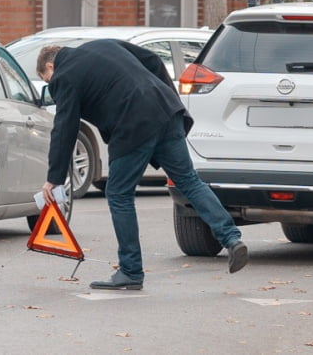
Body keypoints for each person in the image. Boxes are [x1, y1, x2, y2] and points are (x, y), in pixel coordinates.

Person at [37, 40, 248, 290]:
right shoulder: (104, 46)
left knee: (118, 194)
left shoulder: (64, 76)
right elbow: (153, 60)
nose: (53, 85)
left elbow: (65, 127)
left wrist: (55, 178)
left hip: (132, 125)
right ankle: (231, 238)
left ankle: (131, 271)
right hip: (165, 112)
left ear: (51, 65)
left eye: (47, 79)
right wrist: (169, 98)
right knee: (189, 181)